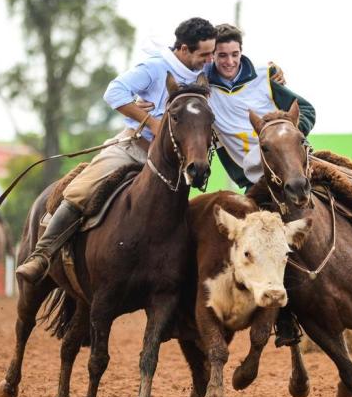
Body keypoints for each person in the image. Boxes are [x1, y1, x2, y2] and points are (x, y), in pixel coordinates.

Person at [205, 24, 352, 346]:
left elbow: (305, 109)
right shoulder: (204, 87)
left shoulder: (264, 75)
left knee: (346, 181)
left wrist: (285, 137)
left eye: (234, 54)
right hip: (255, 180)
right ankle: (284, 319)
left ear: (241, 51)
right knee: (260, 248)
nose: (229, 61)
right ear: (212, 55)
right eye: (222, 55)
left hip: (293, 164)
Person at [15, 17, 219, 283]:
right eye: (204, 54)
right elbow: (114, 92)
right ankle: (42, 255)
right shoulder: (154, 67)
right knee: (81, 190)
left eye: (211, 53)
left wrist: (271, 72)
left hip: (176, 162)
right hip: (135, 147)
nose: (210, 59)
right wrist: (152, 123)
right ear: (183, 49)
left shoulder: (204, 67)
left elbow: (234, 65)